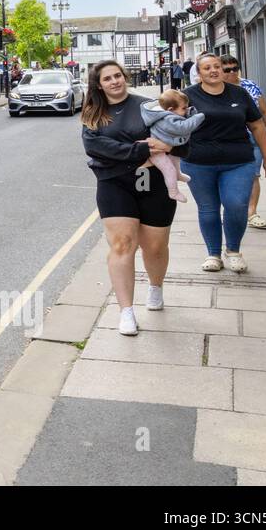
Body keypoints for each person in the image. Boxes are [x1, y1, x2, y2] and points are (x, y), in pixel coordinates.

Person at [81, 59, 186, 335]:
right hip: (114, 183)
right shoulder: (94, 114)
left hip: (154, 184)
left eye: (118, 75)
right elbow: (96, 147)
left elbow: (178, 135)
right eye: (108, 78)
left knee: (154, 246)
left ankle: (155, 287)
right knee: (122, 244)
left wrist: (167, 145)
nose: (115, 81)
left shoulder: (148, 105)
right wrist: (141, 152)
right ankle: (126, 312)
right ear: (99, 85)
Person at [180, 53, 266, 273]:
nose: (213, 71)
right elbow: (170, 122)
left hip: (238, 161)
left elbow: (257, 126)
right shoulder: (187, 96)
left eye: (217, 66)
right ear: (199, 73)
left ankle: (233, 251)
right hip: (198, 163)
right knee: (208, 209)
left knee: (236, 205)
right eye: (207, 68)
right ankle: (213, 254)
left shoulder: (239, 94)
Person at [221, 56, 266, 229]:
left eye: (235, 68)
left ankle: (252, 213)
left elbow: (265, 111)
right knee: (227, 177)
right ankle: (231, 211)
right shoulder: (216, 90)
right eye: (227, 69)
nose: (232, 72)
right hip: (228, 141)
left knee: (253, 176)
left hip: (254, 139)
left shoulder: (250, 86)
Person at [140, 89, 204, 202]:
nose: (186, 110)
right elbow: (183, 127)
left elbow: (180, 116)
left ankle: (178, 174)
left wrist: (188, 111)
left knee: (175, 159)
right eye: (184, 108)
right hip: (155, 151)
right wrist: (198, 117)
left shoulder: (165, 113)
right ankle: (173, 192)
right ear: (170, 109)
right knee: (169, 169)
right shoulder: (166, 119)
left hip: (164, 146)